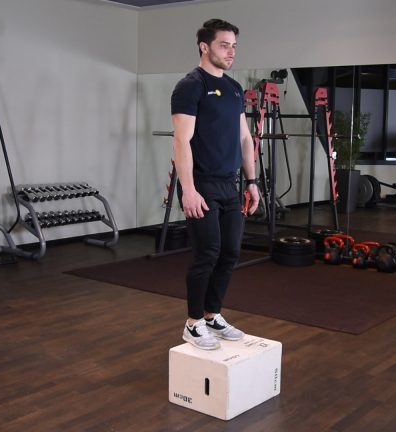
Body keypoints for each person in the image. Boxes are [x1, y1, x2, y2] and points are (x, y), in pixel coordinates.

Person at [170, 18, 260, 350]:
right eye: (224, 45)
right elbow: (181, 141)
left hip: (228, 184)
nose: (231, 51)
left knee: (230, 252)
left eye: (234, 46)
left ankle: (212, 315)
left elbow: (245, 138)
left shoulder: (234, 89)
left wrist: (252, 181)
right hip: (201, 183)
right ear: (204, 47)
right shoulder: (190, 86)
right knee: (207, 253)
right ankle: (193, 323)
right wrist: (188, 189)